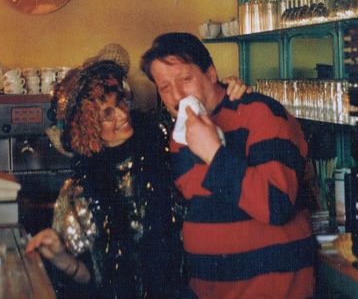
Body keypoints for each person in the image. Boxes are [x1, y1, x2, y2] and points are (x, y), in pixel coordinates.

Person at [26, 43, 248, 299]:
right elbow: (93, 281)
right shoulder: (78, 194)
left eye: (120, 101)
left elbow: (211, 118)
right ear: (88, 130)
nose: (122, 114)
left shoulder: (166, 138)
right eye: (107, 114)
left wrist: (229, 91)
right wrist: (62, 258)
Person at [140, 33, 316, 299]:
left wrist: (214, 153)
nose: (176, 95)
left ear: (211, 74)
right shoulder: (179, 135)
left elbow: (277, 205)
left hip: (271, 290)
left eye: (185, 79)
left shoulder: (262, 113)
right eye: (165, 87)